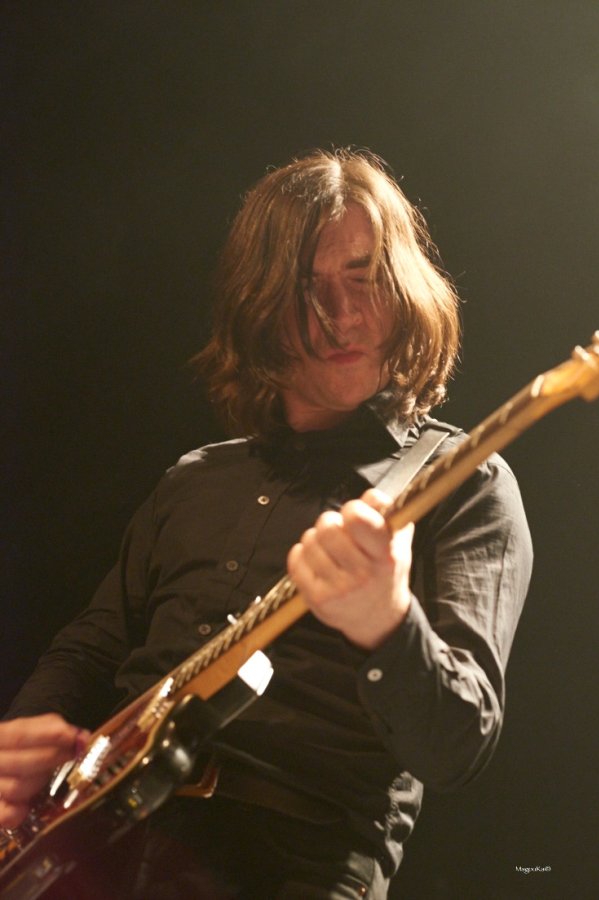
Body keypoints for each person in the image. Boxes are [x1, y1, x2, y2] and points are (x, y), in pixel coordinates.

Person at [0, 149, 532, 899]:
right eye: (305, 289)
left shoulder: (464, 483)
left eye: (365, 277)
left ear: (406, 285)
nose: (343, 314)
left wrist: (387, 622)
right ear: (256, 309)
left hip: (291, 869)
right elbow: (91, 648)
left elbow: (456, 748)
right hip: (94, 851)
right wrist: (15, 751)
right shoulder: (193, 478)